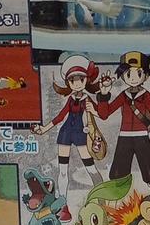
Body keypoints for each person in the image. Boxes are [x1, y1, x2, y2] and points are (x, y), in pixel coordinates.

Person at [97, 51, 150, 198]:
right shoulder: (123, 96)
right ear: (123, 75)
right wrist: (104, 94)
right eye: (128, 74)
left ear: (145, 76)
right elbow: (105, 114)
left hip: (141, 137)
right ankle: (117, 208)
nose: (132, 78)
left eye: (138, 73)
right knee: (118, 176)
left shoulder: (145, 95)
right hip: (124, 138)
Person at [32, 54, 104, 198]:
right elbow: (60, 116)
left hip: (81, 135)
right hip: (65, 133)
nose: (77, 84)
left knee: (90, 167)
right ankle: (63, 201)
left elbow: (102, 115)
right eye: (72, 80)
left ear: (86, 80)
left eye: (81, 79)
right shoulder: (71, 99)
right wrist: (44, 129)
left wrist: (94, 110)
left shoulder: (87, 99)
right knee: (63, 170)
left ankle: (101, 196)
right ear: (68, 83)